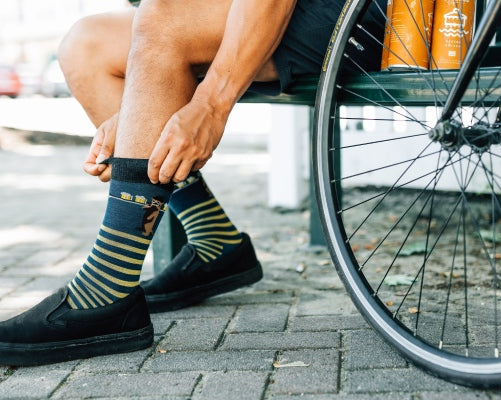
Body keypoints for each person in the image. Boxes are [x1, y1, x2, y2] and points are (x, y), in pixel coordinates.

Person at [0, 0, 385, 366]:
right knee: (85, 46)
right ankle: (214, 238)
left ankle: (106, 290)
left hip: (367, 15)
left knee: (164, 18)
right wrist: (139, 111)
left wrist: (211, 105)